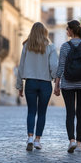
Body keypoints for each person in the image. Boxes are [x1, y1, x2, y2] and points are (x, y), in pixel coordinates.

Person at [54, 20, 81, 153]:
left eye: (67, 29)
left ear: (72, 30)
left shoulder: (65, 46)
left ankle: (71, 140)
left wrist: (57, 84)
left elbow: (60, 67)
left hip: (68, 84)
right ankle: (79, 143)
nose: (66, 32)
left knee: (70, 113)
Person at [16, 22, 58, 151]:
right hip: (45, 83)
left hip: (30, 82)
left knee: (31, 111)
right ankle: (37, 140)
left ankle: (29, 137)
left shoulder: (26, 46)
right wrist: (56, 80)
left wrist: (19, 85)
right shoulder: (50, 47)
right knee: (42, 113)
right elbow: (54, 66)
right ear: (44, 32)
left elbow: (21, 66)